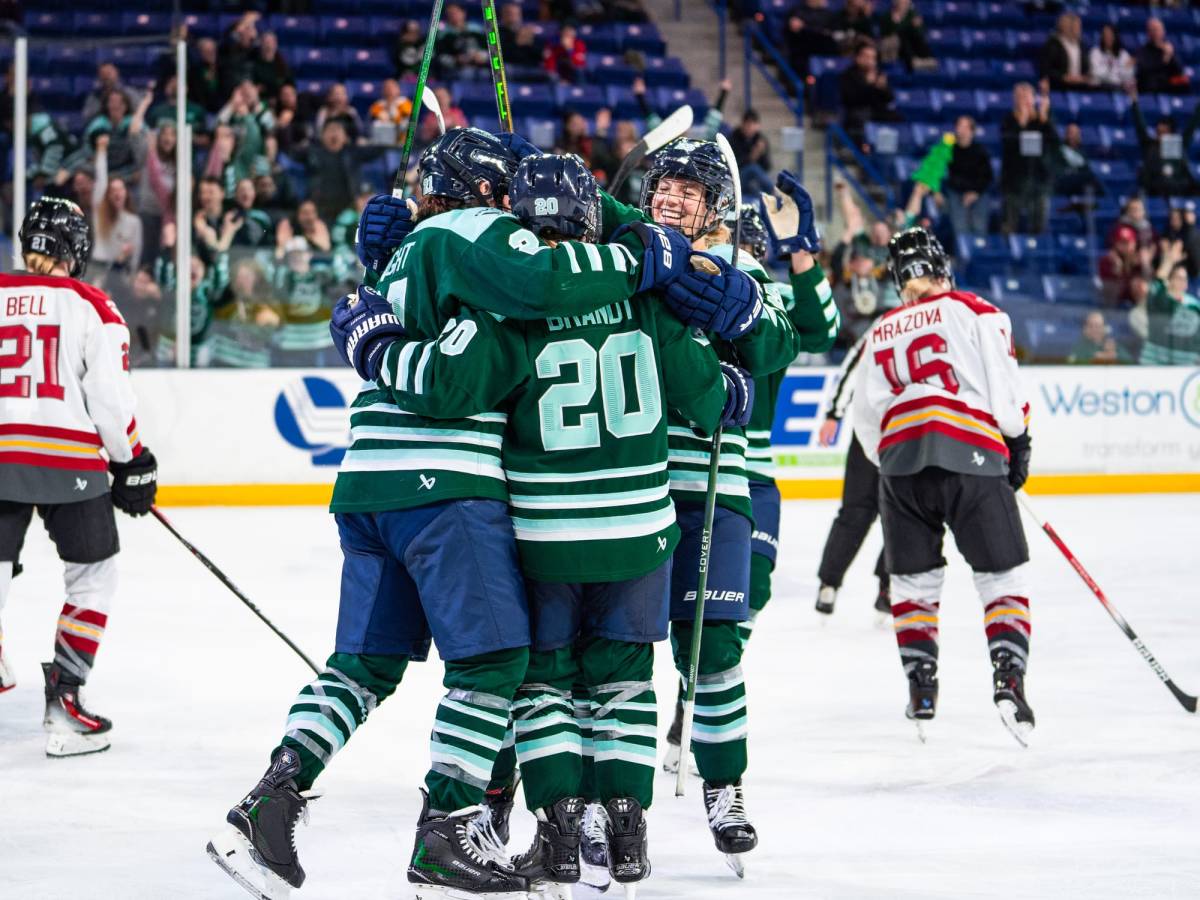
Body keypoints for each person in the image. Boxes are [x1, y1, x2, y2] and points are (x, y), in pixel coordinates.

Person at [205, 127, 695, 900]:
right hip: (442, 488)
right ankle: (445, 834)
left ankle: (267, 805)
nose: (516, 212)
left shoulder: (407, 251)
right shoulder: (476, 231)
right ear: (485, 192)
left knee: (363, 665)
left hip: (370, 486)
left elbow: (422, 336)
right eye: (505, 195)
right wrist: (645, 254)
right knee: (495, 661)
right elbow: (530, 298)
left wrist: (374, 347)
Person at [368, 152, 752, 898]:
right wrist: (729, 388)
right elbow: (706, 400)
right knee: (625, 681)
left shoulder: (516, 303)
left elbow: (469, 392)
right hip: (639, 531)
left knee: (545, 685)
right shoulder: (645, 295)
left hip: (546, 535)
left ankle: (559, 834)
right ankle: (628, 831)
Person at [641, 137, 803, 876]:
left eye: (687, 190)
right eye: (663, 186)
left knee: (714, 652)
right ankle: (600, 803)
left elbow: (781, 345)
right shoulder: (629, 258)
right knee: (604, 654)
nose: (670, 198)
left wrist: (741, 310)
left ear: (715, 208)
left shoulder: (744, 270)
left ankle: (725, 787)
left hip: (714, 489)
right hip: (630, 485)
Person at [853, 227, 1036, 744]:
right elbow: (1007, 395)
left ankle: (921, 688)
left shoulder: (880, 330)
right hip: (970, 453)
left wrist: (898, 461)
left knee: (913, 585)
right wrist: (1017, 445)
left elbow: (866, 422)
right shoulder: (976, 310)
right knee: (1001, 578)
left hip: (899, 466)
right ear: (942, 269)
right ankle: (1009, 681)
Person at [0, 197, 158, 757]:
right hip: (68, 458)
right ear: (78, 250)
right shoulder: (93, 306)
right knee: (93, 575)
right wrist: (131, 461)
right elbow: (110, 401)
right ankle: (64, 705)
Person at [725, 197, 840, 643]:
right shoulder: (690, 286)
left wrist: (802, 254)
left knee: (754, 586)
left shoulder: (776, 298)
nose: (744, 255)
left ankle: (720, 668)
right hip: (695, 466)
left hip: (755, 471)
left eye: (752, 247)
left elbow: (824, 330)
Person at [812, 329, 890, 618]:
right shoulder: (885, 325)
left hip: (909, 433)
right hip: (876, 431)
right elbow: (854, 364)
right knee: (858, 512)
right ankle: (830, 583)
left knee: (905, 514)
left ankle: (889, 585)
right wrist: (834, 413)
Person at [1000, 81, 1055, 234]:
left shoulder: (1042, 121)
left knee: (1038, 225)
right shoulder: (1009, 120)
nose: (1023, 101)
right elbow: (1009, 146)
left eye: (1027, 96)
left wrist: (1044, 119)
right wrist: (1021, 124)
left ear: (1033, 99)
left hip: (1038, 181)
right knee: (1009, 225)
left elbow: (1054, 143)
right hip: (1014, 181)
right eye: (1020, 97)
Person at [1128, 84, 1200, 199]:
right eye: (1158, 132)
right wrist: (1134, 103)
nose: (1161, 136)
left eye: (1164, 133)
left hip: (1177, 191)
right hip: (1154, 191)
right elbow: (1140, 126)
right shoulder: (1150, 145)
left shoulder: (1176, 146)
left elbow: (1191, 127)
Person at [1140, 240, 1200, 365]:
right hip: (1155, 364)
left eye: (1184, 279)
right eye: (1178, 278)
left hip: (1185, 366)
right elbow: (1157, 283)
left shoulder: (1195, 306)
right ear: (1169, 281)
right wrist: (1169, 261)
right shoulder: (1159, 300)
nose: (1181, 282)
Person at [840, 39, 899, 146]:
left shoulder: (878, 73)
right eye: (867, 57)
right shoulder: (847, 75)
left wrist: (883, 88)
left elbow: (889, 98)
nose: (870, 61)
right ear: (858, 58)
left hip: (877, 111)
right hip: (857, 113)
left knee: (896, 117)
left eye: (873, 58)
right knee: (863, 118)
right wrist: (869, 85)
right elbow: (851, 100)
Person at [943, 116, 993, 238]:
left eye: (966, 127)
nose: (962, 130)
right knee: (960, 228)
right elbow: (945, 175)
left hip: (977, 193)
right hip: (956, 193)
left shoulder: (980, 151)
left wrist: (975, 192)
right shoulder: (948, 150)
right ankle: (961, 246)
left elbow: (987, 177)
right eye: (960, 126)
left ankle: (979, 247)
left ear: (972, 131)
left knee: (980, 227)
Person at [1135, 17, 1188, 96]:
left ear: (1163, 31)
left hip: (1168, 84)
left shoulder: (1168, 49)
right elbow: (1146, 70)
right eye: (1153, 30)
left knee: (1184, 81)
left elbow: (1178, 70)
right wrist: (1164, 59)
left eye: (1158, 29)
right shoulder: (1142, 51)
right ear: (1148, 33)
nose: (1156, 32)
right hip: (1152, 86)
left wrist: (1171, 56)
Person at [1039, 12, 1091, 91]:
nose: (1078, 29)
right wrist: (1063, 77)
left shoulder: (1081, 45)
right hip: (1059, 86)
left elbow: (1086, 66)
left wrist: (1084, 77)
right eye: (1075, 26)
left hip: (1080, 86)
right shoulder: (1053, 44)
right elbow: (1046, 69)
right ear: (1065, 27)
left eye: (1079, 26)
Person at [728, 110, 773, 196]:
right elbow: (736, 165)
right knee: (752, 168)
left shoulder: (761, 140)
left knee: (757, 193)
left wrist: (762, 154)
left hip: (753, 182)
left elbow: (766, 167)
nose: (750, 128)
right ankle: (774, 192)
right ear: (743, 124)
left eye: (754, 125)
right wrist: (753, 155)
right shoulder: (734, 138)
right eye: (748, 125)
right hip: (736, 179)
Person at [1067, 311, 1132, 365]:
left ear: (1105, 328)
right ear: (1085, 329)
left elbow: (1130, 362)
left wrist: (1115, 355)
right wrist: (1099, 357)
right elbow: (1071, 364)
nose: (1094, 329)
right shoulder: (1079, 347)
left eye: (1098, 326)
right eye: (1091, 326)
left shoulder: (1113, 345)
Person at [1089, 24, 1135, 90]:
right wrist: (1117, 73)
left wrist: (1112, 73)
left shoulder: (1123, 54)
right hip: (1100, 88)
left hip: (1119, 89)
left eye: (1110, 35)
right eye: (1105, 35)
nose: (1107, 37)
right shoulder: (1095, 52)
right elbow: (1096, 73)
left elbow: (1128, 75)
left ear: (1115, 36)